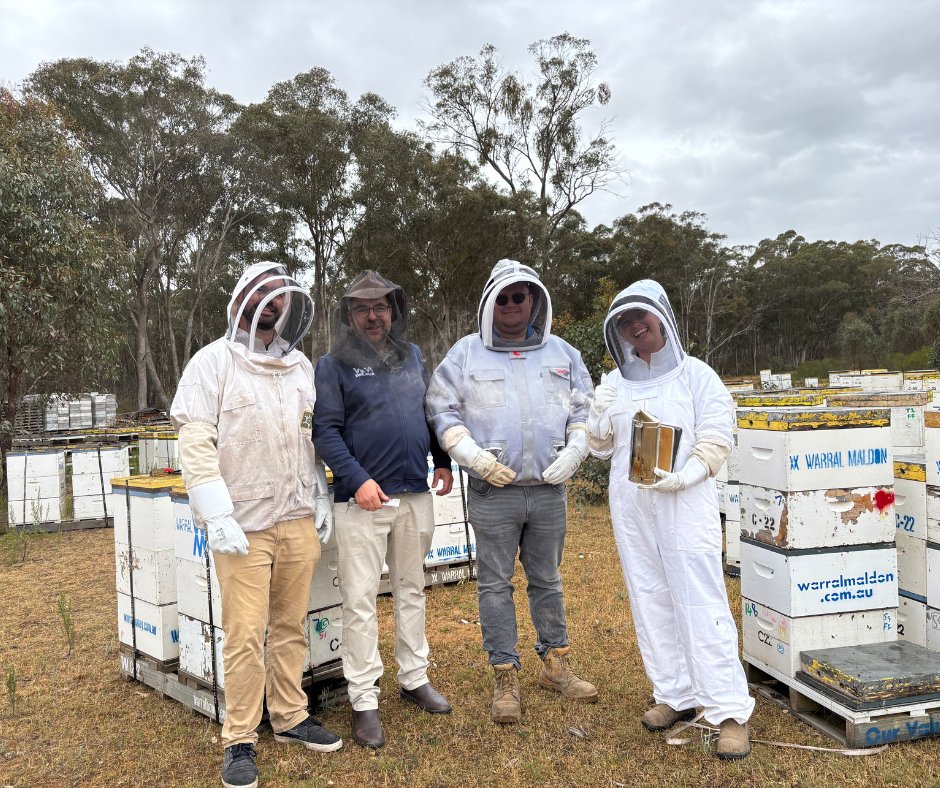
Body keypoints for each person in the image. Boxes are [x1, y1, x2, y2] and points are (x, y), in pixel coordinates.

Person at [171, 262, 342, 788]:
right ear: (243, 299)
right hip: (241, 525)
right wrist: (217, 513)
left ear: (289, 307)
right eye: (263, 292)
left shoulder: (301, 369)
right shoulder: (212, 362)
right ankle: (240, 737)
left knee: (291, 625)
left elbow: (309, 436)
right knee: (246, 634)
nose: (272, 303)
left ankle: (289, 716)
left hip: (295, 517)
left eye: (279, 295)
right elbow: (196, 443)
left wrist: (321, 493)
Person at [586, 279, 754, 760]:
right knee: (649, 596)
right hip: (632, 505)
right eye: (624, 323)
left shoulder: (698, 376)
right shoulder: (616, 382)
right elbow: (601, 448)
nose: (635, 327)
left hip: (686, 504)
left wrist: (688, 476)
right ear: (617, 332)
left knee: (701, 599)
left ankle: (728, 711)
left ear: (661, 318)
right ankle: (675, 693)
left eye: (641, 317)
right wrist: (596, 417)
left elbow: (718, 436)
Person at [426, 259, 597, 725]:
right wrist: (473, 457)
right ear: (488, 303)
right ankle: (505, 672)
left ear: (534, 300)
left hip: (548, 491)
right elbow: (441, 410)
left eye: (519, 297)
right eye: (502, 298)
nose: (511, 306)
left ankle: (556, 664)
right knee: (494, 584)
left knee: (548, 580)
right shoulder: (465, 354)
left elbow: (585, 406)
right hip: (491, 491)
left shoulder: (562, 353)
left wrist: (577, 447)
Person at [313, 270, 454, 749]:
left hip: (414, 492)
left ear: (394, 311)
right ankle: (364, 700)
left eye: (381, 307)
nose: (373, 316)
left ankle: (414, 678)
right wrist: (359, 481)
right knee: (360, 601)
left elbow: (429, 412)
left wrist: (443, 460)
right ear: (348, 317)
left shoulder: (412, 356)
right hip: (362, 501)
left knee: (413, 589)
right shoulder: (333, 365)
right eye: (362, 308)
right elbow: (326, 432)